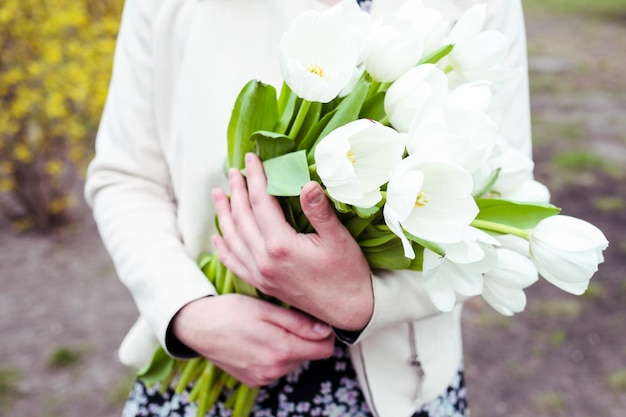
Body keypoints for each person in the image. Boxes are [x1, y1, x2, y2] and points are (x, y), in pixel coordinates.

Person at [84, 0, 532, 416]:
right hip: (210, 356)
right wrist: (188, 310)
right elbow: (127, 178)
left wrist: (367, 300)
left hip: (402, 385)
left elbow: (496, 197)